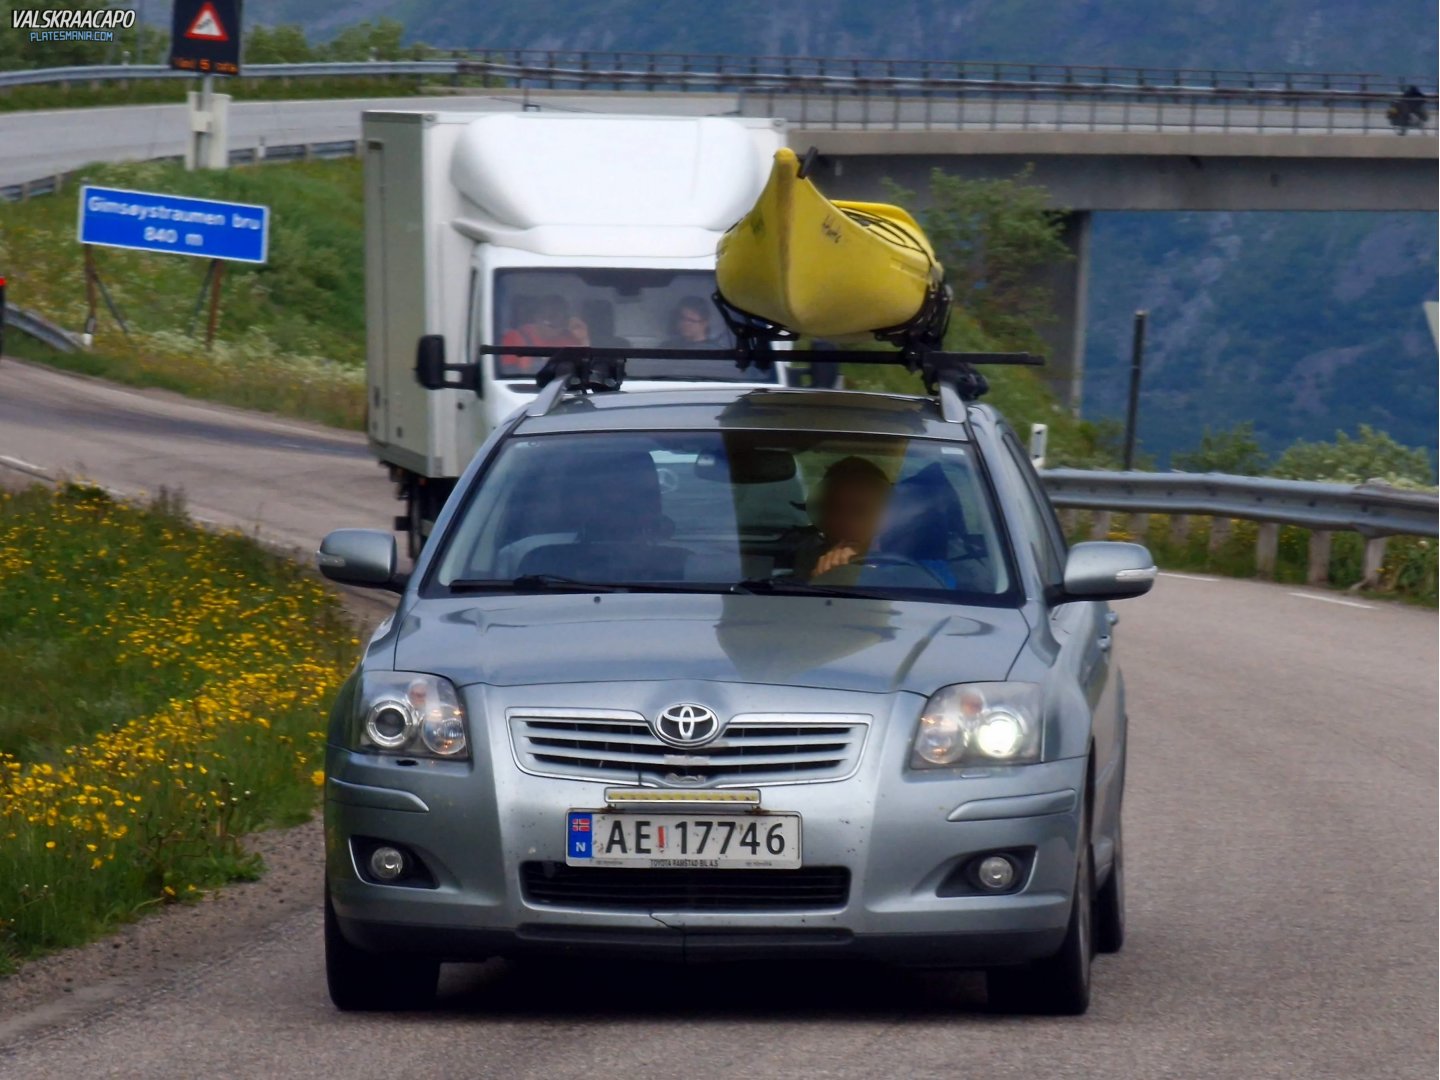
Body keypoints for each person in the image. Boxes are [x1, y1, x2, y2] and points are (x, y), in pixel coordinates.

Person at [793, 456, 892, 580]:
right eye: (833, 509)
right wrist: (820, 580)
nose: (844, 520)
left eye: (859, 511)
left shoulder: (906, 562)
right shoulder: (811, 554)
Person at [500, 294, 590, 375]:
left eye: (561, 318)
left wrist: (583, 339)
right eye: (550, 316)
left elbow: (585, 371)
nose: (555, 322)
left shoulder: (571, 339)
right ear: (536, 316)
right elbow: (508, 375)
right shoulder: (514, 338)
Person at [660, 296, 725, 348]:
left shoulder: (715, 352)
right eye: (682, 318)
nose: (684, 323)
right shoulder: (666, 348)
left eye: (690, 320)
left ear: (704, 323)